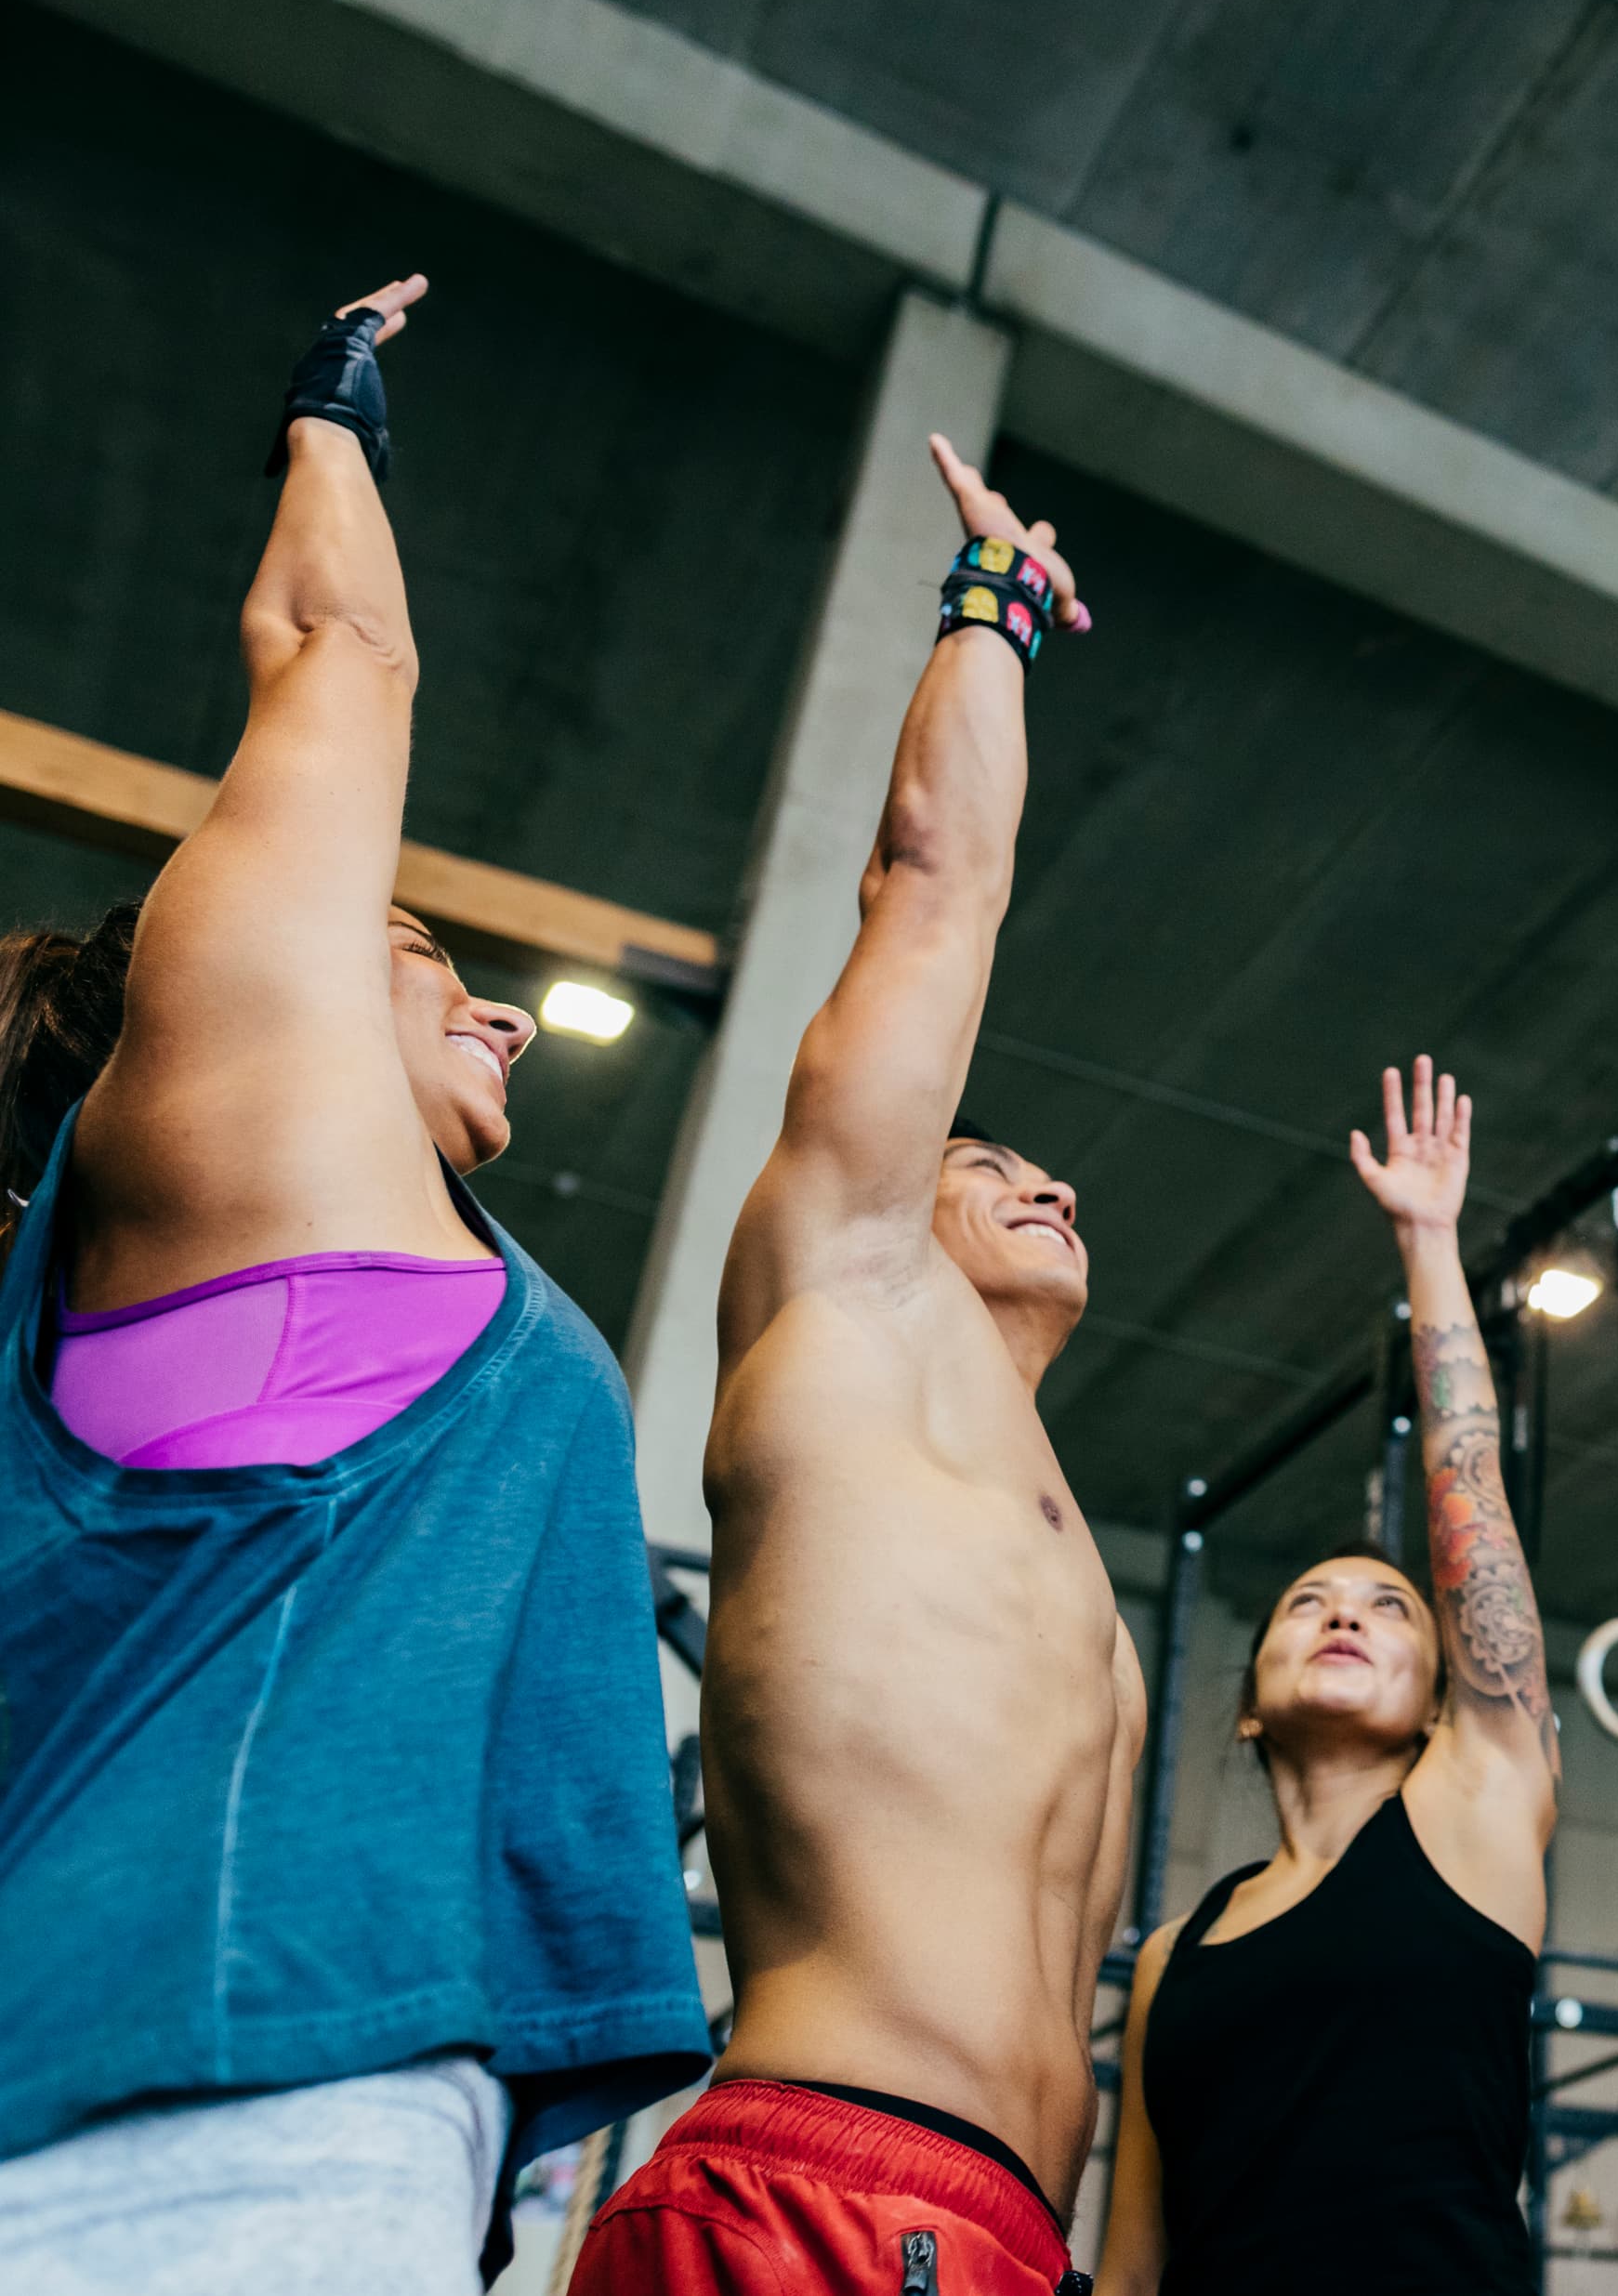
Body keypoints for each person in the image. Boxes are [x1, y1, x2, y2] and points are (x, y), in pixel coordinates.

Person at [0, 278, 706, 2294]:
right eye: (413, 944)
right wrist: (334, 399)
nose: (497, 1002)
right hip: (191, 2117)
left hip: (280, 2104)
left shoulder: (345, 1259)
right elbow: (338, 646)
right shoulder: (240, 1147)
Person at [571, 439, 1128, 2296]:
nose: (1039, 1175)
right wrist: (995, 617)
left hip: (1000, 2230)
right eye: (985, 1162)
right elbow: (933, 887)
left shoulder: (1065, 1563)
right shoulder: (846, 1292)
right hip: (824, 2185)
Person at [1093, 1057, 1558, 2296]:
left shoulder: (1478, 1811)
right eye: (1309, 1603)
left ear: (1441, 1695)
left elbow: (1469, 1481)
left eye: (1387, 1608)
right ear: (1250, 1696)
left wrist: (1429, 1242)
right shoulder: (1170, 1957)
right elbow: (1134, 2263)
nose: (1344, 1610)